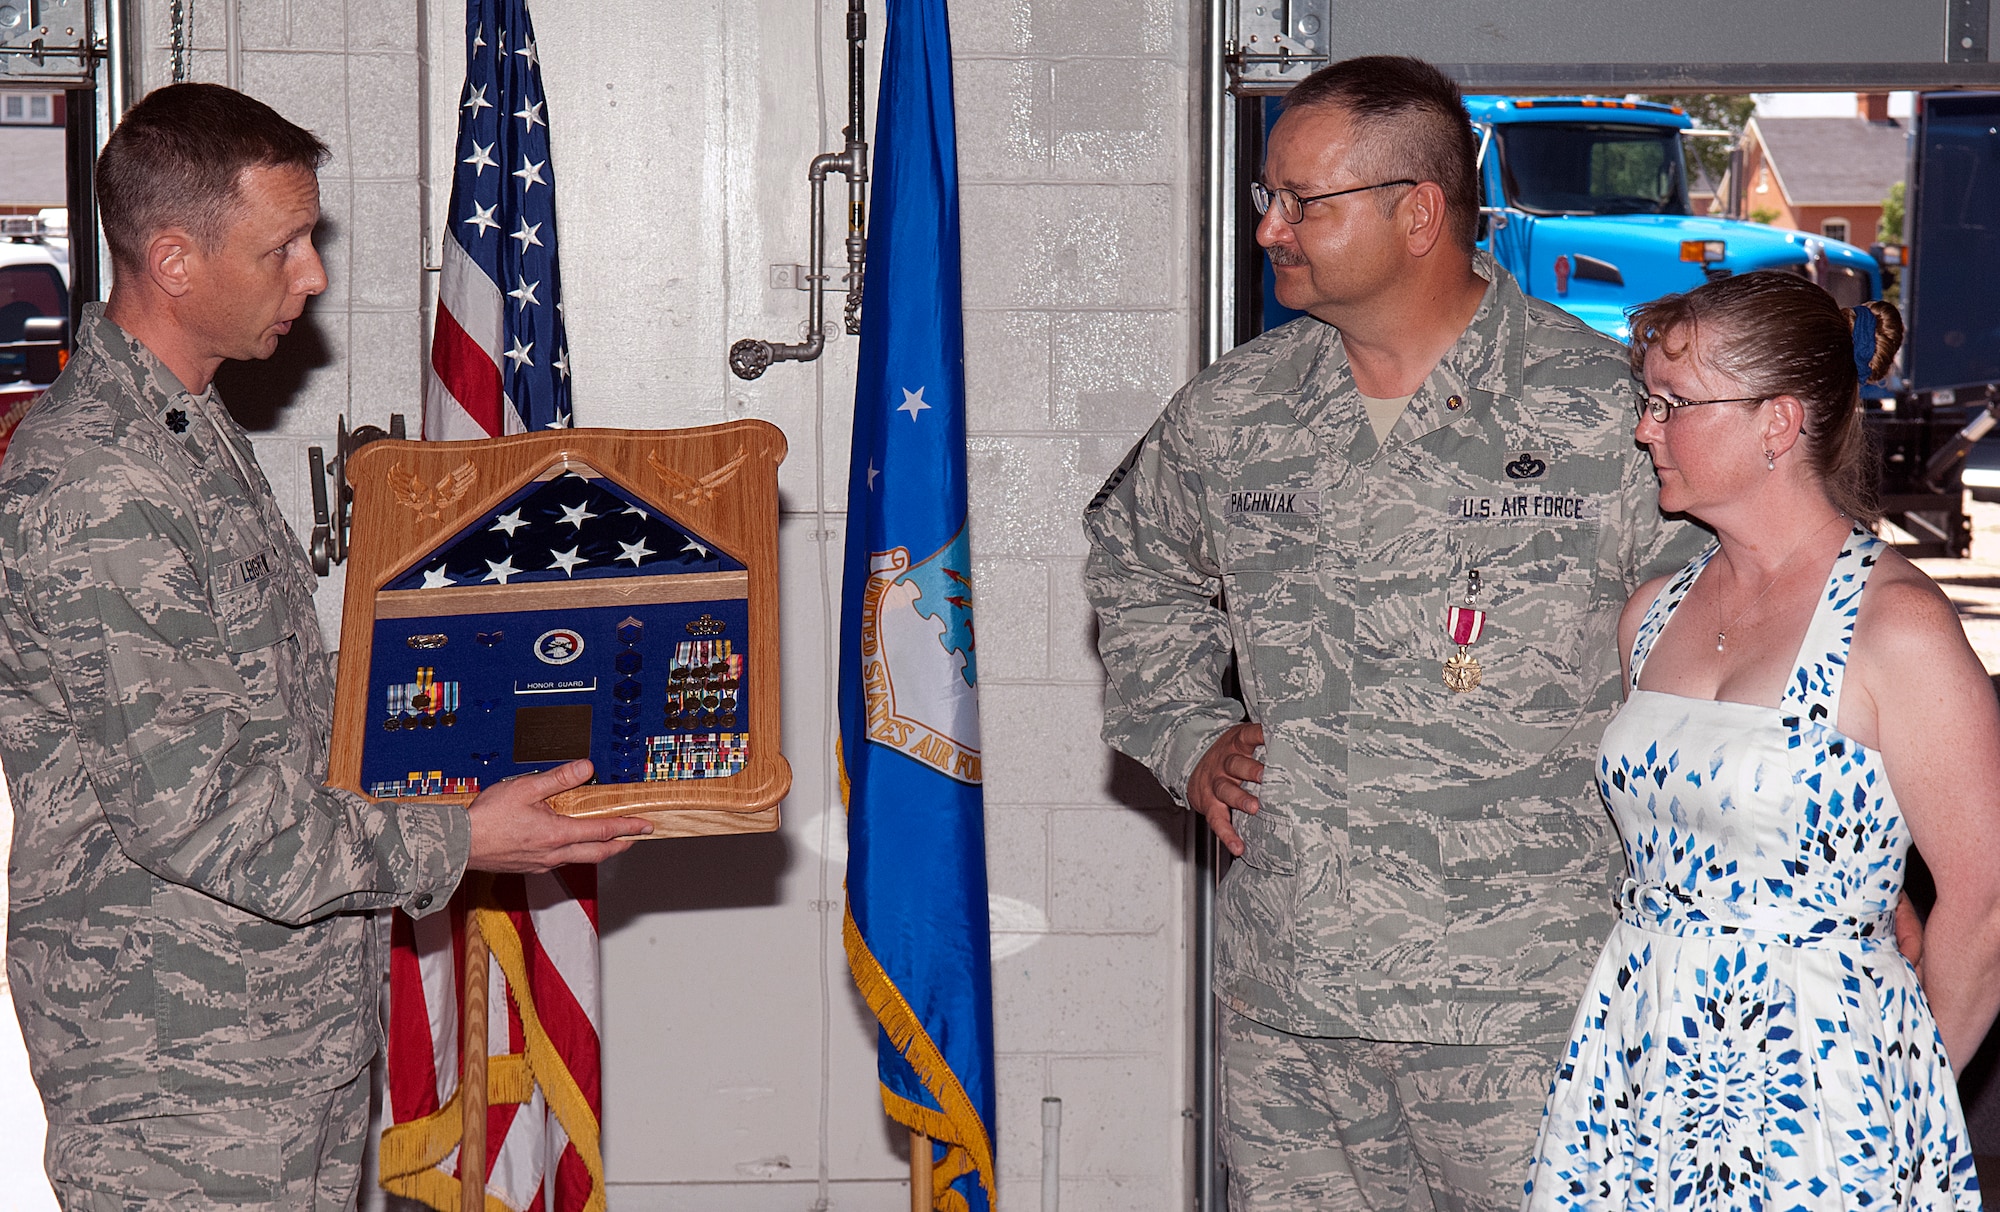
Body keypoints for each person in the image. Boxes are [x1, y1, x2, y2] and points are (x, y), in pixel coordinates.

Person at [0, 84, 652, 1209]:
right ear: (174, 261)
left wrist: (515, 674)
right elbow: (196, 814)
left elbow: (285, 709)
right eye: (284, 245)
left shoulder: (189, 425)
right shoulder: (98, 478)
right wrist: (460, 834)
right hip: (178, 1066)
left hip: (279, 1036)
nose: (312, 275)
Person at [1083, 55, 1706, 1210]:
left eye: (1300, 202)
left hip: (1528, 1005)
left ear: (1417, 211)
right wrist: (1184, 730)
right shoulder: (1235, 412)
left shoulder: (1603, 414)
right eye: (1266, 198)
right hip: (1292, 996)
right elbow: (1134, 567)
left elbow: (1726, 662)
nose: (1268, 228)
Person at [1520, 272, 2000, 1210]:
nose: (1643, 429)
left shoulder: (1897, 628)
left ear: (1778, 423)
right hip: (1637, 1069)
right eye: (1646, 402)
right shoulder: (1653, 616)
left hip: (1825, 1101)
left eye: (1672, 405)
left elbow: (1984, 908)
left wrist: (1890, 1094)